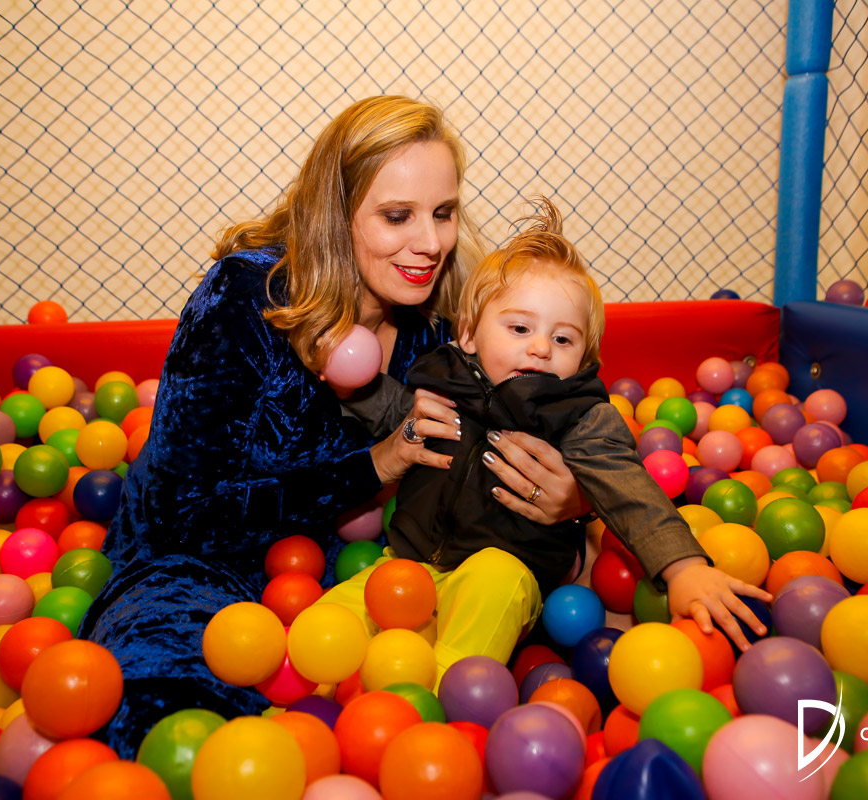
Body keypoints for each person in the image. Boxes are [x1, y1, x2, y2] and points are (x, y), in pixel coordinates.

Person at [78, 97, 589, 756]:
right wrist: (375, 465)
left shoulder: (446, 325)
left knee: (405, 719)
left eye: (443, 213)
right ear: (334, 214)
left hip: (350, 577)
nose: (431, 243)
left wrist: (573, 502)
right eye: (397, 216)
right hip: (194, 570)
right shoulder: (247, 298)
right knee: (177, 725)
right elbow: (179, 513)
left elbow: (547, 423)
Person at [324, 198, 771, 683]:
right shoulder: (442, 379)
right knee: (328, 625)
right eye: (519, 328)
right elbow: (397, 413)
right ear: (469, 334)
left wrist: (683, 568)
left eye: (563, 340)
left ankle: (441, 692)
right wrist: (349, 387)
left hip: (505, 573)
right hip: (406, 563)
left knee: (493, 579)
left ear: (583, 359)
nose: (539, 347)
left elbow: (628, 488)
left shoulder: (579, 415)